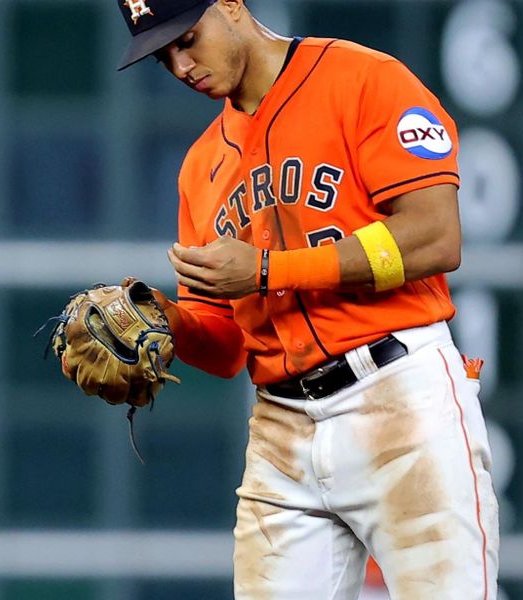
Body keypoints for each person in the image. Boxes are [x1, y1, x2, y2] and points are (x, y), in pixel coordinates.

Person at [116, 0, 499, 598]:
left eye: (188, 37)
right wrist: (164, 321)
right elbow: (222, 348)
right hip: (281, 426)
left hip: (399, 397)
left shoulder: (363, 79)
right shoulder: (200, 168)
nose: (182, 64)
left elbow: (435, 236)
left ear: (232, 6)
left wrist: (270, 271)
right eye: (163, 55)